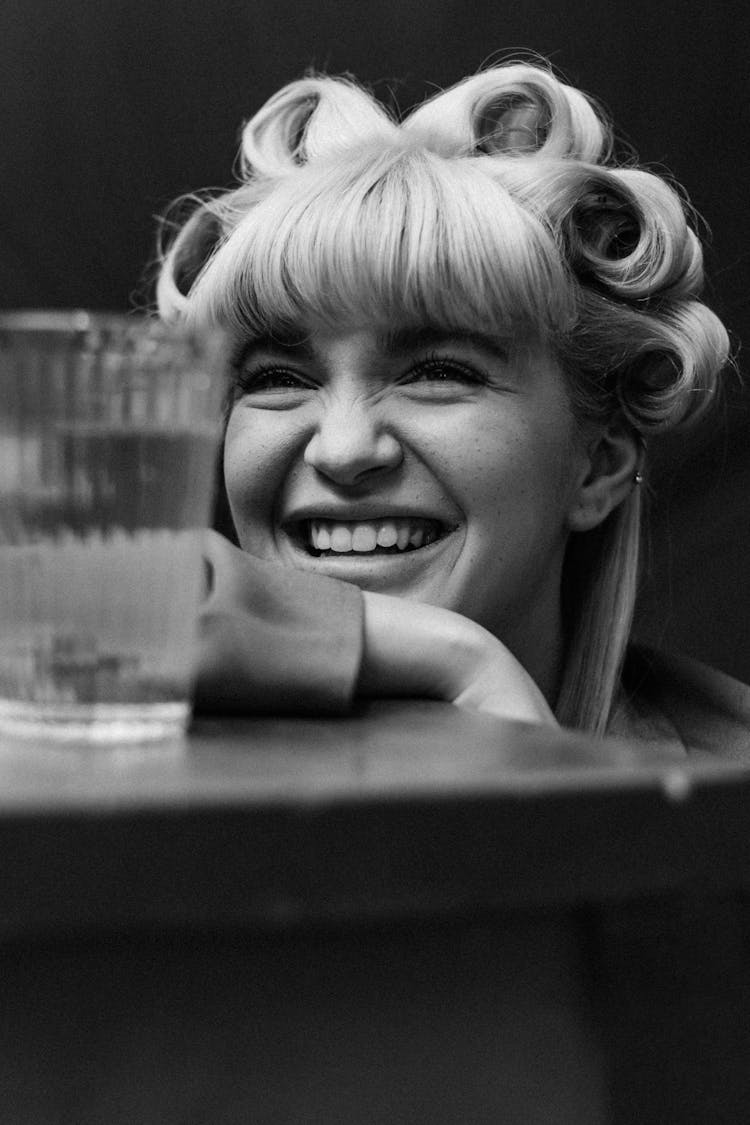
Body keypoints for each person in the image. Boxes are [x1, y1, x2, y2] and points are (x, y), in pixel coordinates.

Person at [155, 60, 750, 755]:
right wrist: (456, 656)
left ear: (600, 466)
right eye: (276, 378)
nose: (342, 449)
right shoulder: (110, 729)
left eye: (437, 372)